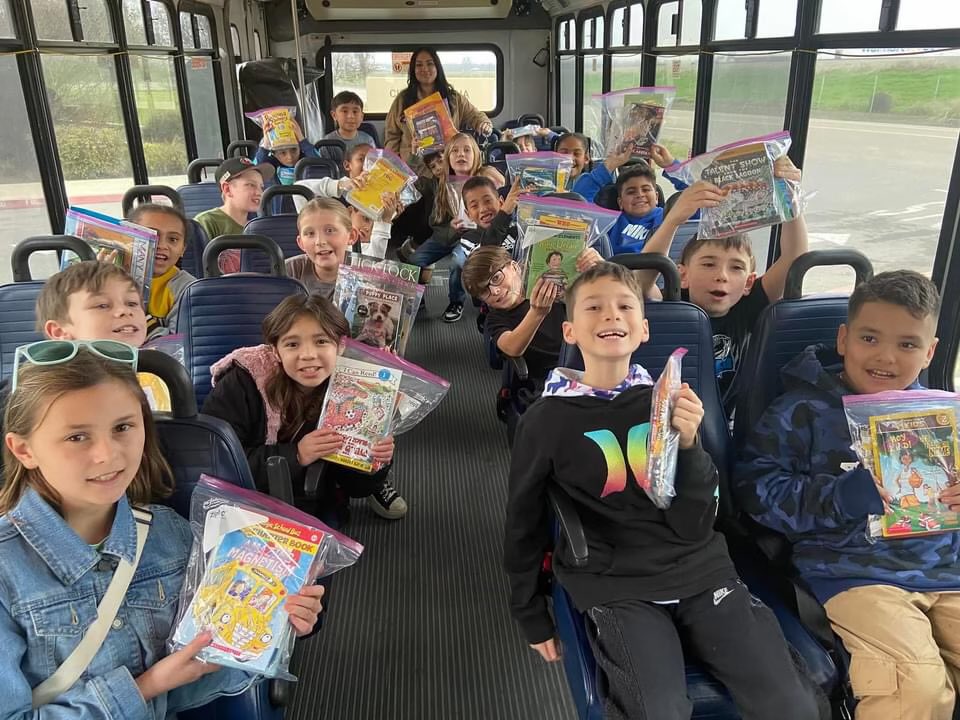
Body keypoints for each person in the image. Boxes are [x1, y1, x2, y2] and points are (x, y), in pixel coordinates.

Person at [505, 261, 819, 720]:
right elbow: (523, 520)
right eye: (594, 307)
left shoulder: (670, 403)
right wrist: (530, 613)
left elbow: (696, 523)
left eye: (624, 306)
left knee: (790, 704)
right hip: (617, 583)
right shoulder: (546, 420)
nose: (611, 315)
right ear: (569, 331)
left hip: (699, 568)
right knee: (659, 709)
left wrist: (690, 447)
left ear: (644, 329)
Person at [0, 343, 324, 716]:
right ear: (24, 450)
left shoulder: (169, 534)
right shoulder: (8, 570)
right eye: (77, 437)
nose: (108, 454)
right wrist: (147, 686)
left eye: (123, 427)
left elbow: (200, 674)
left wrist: (273, 627)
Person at [735, 270, 960, 720]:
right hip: (856, 571)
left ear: (931, 352)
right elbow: (756, 493)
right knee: (917, 691)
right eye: (870, 338)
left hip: (946, 569)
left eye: (908, 345)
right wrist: (841, 496)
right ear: (843, 340)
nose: (887, 357)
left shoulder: (941, 416)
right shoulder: (801, 411)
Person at [202, 294, 408, 522]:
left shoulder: (355, 391)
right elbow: (214, 460)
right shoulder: (242, 382)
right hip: (243, 503)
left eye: (321, 341)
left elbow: (357, 487)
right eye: (292, 344)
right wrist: (296, 455)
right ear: (275, 351)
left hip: (313, 500)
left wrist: (373, 460)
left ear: (340, 346)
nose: (308, 355)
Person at [641, 158, 807, 399]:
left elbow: (795, 257)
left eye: (736, 268)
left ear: (749, 283)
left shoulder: (746, 307)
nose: (721, 276)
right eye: (709, 264)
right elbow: (643, 277)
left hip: (723, 419)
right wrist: (674, 219)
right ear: (682, 275)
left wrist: (788, 195)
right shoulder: (672, 302)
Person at [461, 245, 601, 392]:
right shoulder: (495, 318)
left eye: (496, 278)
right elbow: (511, 348)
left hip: (592, 360)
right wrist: (537, 313)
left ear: (514, 267)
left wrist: (602, 268)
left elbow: (614, 307)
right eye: (484, 291)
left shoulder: (551, 285)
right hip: (550, 379)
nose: (495, 291)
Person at [408, 133, 483, 323]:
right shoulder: (439, 183)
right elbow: (415, 176)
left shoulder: (482, 180)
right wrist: (415, 154)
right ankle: (417, 300)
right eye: (455, 151)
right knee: (414, 260)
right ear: (450, 157)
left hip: (470, 237)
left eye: (467, 151)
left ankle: (456, 301)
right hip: (444, 236)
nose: (461, 155)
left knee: (457, 262)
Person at [384, 48, 493, 168]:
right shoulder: (402, 100)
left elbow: (475, 115)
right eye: (419, 65)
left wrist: (484, 123)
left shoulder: (453, 98)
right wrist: (394, 165)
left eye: (430, 64)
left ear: (437, 67)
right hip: (414, 167)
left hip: (447, 163)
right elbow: (392, 136)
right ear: (413, 70)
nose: (424, 69)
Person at [194, 157, 275, 274]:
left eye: (261, 187)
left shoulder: (259, 226)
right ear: (227, 189)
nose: (259, 192)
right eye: (250, 185)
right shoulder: (206, 222)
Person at [126, 203, 195, 335]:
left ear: (183, 250)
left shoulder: (186, 289)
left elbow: (175, 343)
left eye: (173, 239)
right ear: (129, 238)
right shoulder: (111, 277)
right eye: (152, 236)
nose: (162, 245)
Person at [284, 198, 360, 297]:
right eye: (310, 233)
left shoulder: (369, 277)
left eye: (330, 230)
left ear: (351, 236)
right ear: (301, 243)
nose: (320, 242)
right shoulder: (289, 270)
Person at [572, 143, 689, 205]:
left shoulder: (667, 219)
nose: (639, 195)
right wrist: (609, 166)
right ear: (620, 202)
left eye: (646, 189)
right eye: (631, 192)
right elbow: (578, 200)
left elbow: (700, 199)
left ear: (657, 197)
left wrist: (671, 166)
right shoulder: (610, 224)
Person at [460, 176, 524, 251]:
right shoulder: (468, 240)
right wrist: (504, 213)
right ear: (468, 215)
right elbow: (485, 255)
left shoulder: (518, 228)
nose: (483, 209)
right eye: (474, 206)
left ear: (501, 202)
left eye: (488, 201)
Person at [253, 117, 319, 188]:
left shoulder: (306, 161)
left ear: (300, 147)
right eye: (283, 153)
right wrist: (266, 145)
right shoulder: (271, 164)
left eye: (294, 150)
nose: (290, 157)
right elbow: (258, 167)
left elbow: (318, 164)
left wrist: (301, 139)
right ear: (274, 153)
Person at [323, 91, 377, 156]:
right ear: (334, 115)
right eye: (345, 111)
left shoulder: (368, 140)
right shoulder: (327, 142)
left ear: (361, 116)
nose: (351, 116)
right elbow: (325, 165)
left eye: (355, 111)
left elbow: (373, 163)